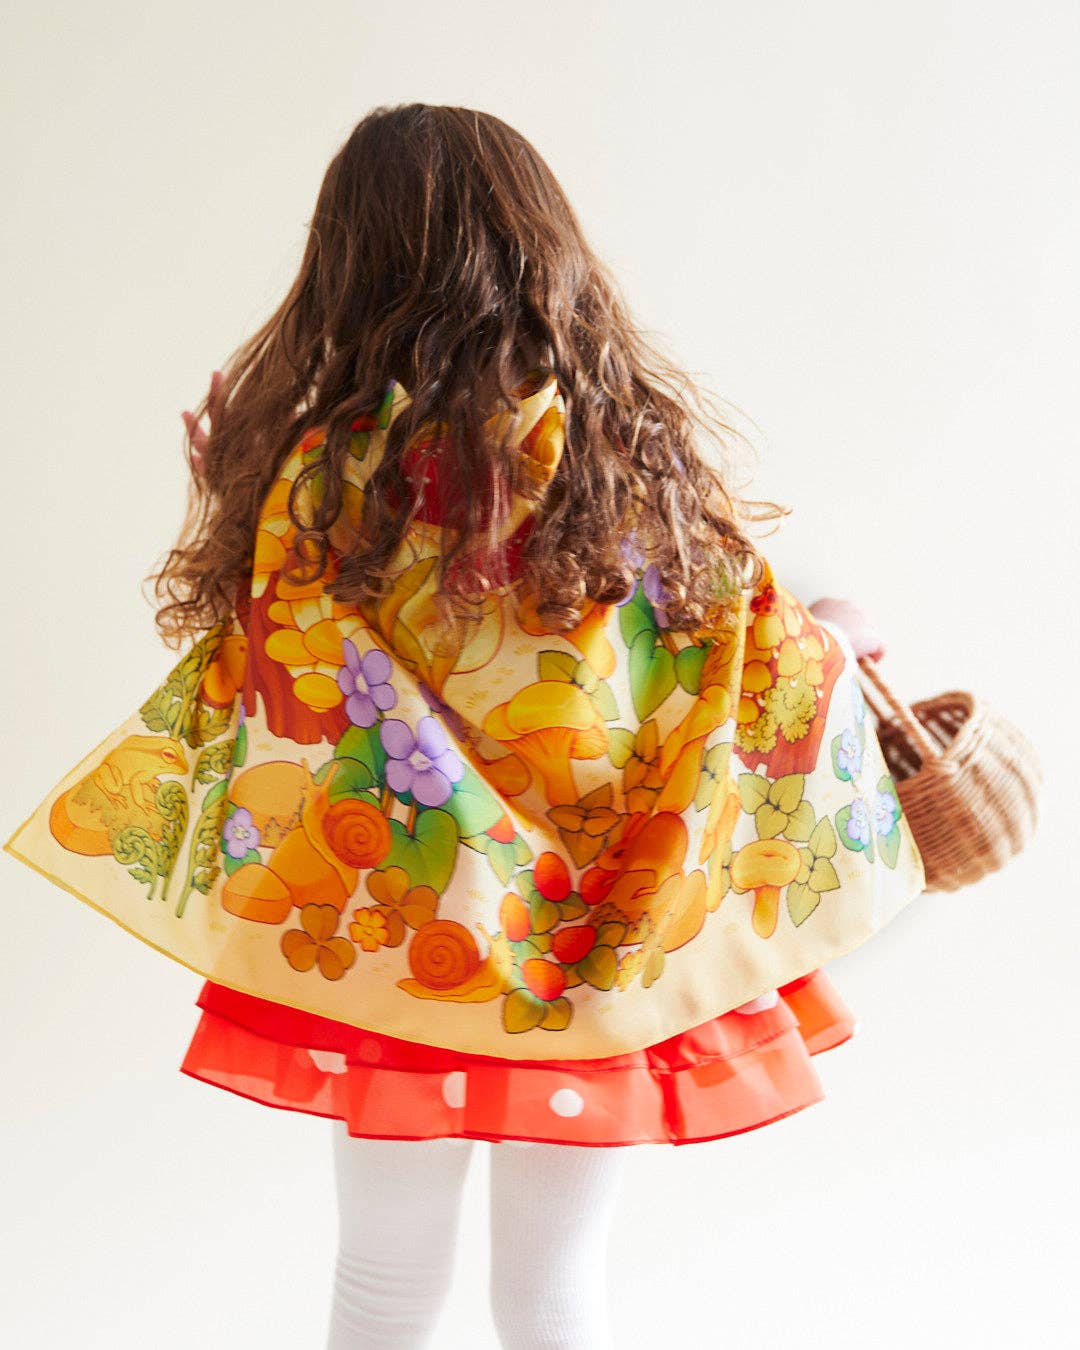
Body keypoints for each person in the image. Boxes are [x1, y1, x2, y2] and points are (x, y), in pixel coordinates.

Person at [5, 104, 924, 1348]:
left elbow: (282, 678)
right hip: (606, 938)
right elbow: (736, 651)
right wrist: (840, 627)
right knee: (554, 1291)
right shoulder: (624, 458)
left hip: (404, 937)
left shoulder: (331, 473)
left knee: (384, 1279)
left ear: (352, 261)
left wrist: (236, 485)